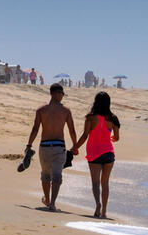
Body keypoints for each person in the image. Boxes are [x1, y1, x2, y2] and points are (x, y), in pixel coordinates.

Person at [26, 83, 77, 212]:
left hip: (44, 146)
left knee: (46, 175)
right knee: (57, 176)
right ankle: (52, 203)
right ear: (56, 94)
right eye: (61, 93)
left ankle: (48, 200)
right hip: (59, 146)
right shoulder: (66, 111)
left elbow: (35, 129)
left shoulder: (41, 110)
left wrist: (29, 144)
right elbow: (72, 130)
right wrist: (75, 146)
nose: (61, 96)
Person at [73, 91, 120, 218]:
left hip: (94, 153)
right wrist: (112, 137)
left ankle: (98, 204)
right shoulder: (113, 118)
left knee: (95, 183)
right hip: (108, 153)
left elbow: (84, 136)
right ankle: (104, 211)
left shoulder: (90, 117)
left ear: (96, 102)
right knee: (105, 183)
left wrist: (74, 148)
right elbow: (117, 137)